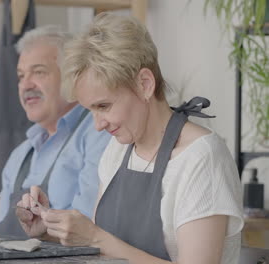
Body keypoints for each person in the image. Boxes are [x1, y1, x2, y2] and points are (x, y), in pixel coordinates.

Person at [16, 14, 243, 264]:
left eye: (104, 105)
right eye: (90, 110)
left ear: (144, 84)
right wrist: (49, 232)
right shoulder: (118, 151)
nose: (98, 125)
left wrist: (94, 237)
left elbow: (102, 242)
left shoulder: (201, 158)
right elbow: (105, 251)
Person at [0, 25, 110, 238]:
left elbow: (90, 228)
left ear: (72, 76)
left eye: (39, 72)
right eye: (21, 76)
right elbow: (0, 232)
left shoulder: (99, 132)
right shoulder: (20, 154)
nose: (25, 84)